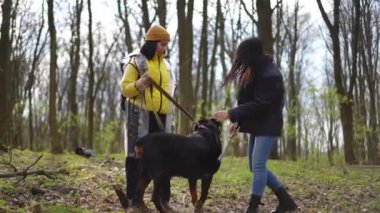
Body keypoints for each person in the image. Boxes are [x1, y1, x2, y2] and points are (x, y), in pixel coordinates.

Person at [212, 37, 297, 213]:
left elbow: (261, 105)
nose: (240, 61)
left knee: (258, 166)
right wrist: (239, 122)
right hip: (258, 125)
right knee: (254, 166)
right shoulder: (254, 71)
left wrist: (231, 113)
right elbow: (250, 102)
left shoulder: (270, 75)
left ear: (251, 55)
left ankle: (252, 208)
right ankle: (286, 201)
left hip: (269, 125)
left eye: (242, 56)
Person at [120, 24, 175, 211]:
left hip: (163, 116)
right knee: (136, 156)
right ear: (152, 43)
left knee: (165, 157)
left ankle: (163, 199)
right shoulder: (135, 62)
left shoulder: (166, 65)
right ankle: (134, 199)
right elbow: (125, 89)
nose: (165, 48)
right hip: (139, 115)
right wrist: (140, 84)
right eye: (162, 44)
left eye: (166, 44)